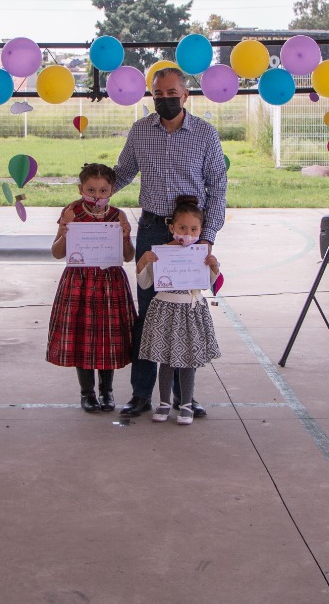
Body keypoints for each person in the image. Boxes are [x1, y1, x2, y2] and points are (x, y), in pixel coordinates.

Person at [113, 67, 228, 419]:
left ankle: (183, 398)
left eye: (170, 93)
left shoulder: (206, 135)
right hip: (151, 231)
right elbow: (122, 174)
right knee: (148, 315)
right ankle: (141, 394)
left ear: (186, 94)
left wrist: (206, 238)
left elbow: (218, 188)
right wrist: (92, 197)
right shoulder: (140, 131)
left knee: (185, 314)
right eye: (157, 94)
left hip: (190, 238)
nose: (164, 99)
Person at [47, 164, 137, 412]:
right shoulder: (71, 212)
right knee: (82, 336)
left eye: (103, 189)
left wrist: (126, 238)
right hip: (79, 282)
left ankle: (106, 392)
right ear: (80, 188)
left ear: (112, 190)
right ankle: (87, 393)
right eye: (90, 189)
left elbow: (128, 257)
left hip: (110, 283)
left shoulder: (118, 216)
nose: (97, 195)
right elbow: (56, 253)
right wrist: (65, 234)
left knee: (108, 337)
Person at [134, 196, 221, 425]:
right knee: (166, 360)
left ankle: (186, 403)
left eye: (194, 229)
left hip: (190, 312)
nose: (188, 233)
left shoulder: (200, 254)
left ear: (201, 230)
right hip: (165, 310)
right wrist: (142, 262)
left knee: (188, 361)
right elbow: (145, 283)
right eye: (182, 228)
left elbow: (206, 283)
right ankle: (163, 403)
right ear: (172, 227)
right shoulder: (161, 252)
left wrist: (213, 266)